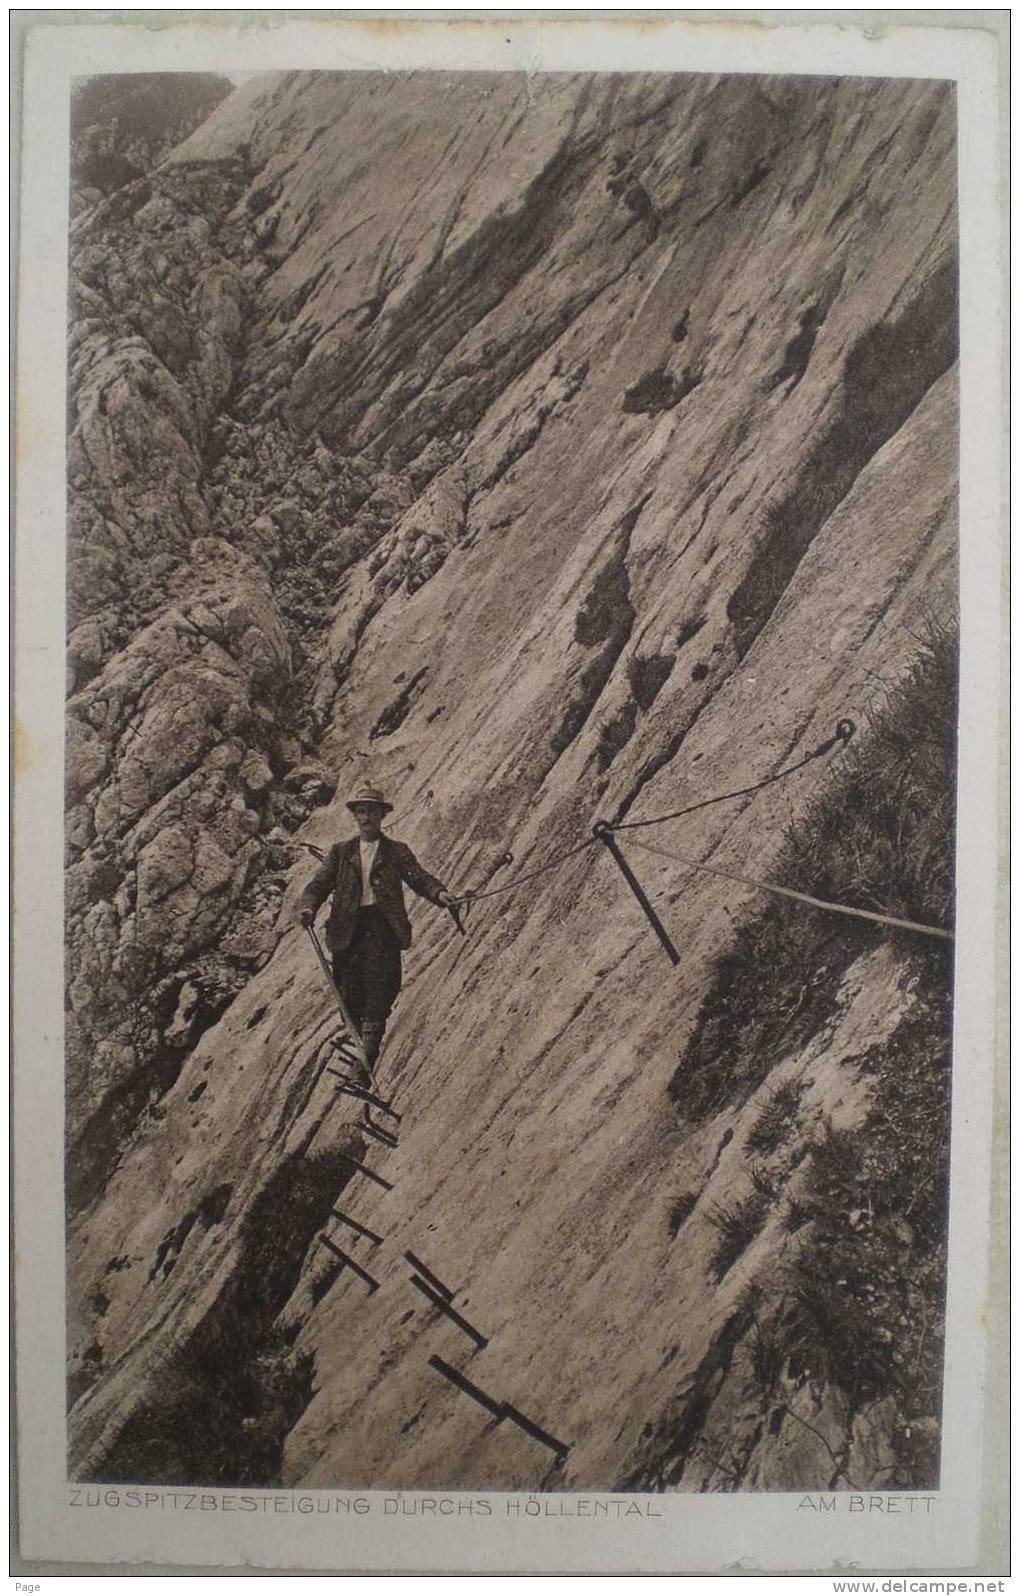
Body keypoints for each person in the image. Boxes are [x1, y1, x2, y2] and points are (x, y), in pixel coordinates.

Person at [296, 784, 456, 1078]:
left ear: (382, 815)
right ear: (355, 816)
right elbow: (318, 886)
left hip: (382, 928)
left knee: (380, 991)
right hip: (348, 930)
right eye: (361, 811)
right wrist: (308, 908)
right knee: (349, 991)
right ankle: (362, 1048)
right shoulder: (341, 852)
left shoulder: (396, 851)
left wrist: (440, 894)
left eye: (371, 811)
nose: (366, 817)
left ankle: (365, 1062)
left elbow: (418, 878)